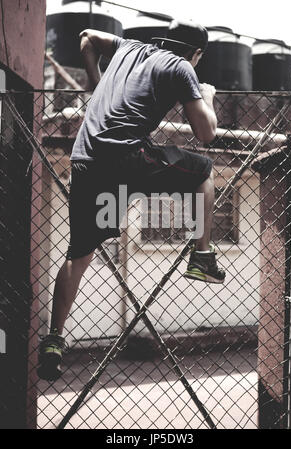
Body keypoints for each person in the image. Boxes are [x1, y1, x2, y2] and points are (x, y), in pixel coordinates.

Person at [37, 20, 226, 381]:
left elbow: (87, 37)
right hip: (127, 155)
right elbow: (207, 133)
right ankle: (202, 255)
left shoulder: (127, 47)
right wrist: (208, 97)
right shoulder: (181, 65)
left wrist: (96, 83)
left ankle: (54, 338)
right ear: (196, 53)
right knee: (204, 172)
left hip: (86, 158)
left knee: (77, 255)